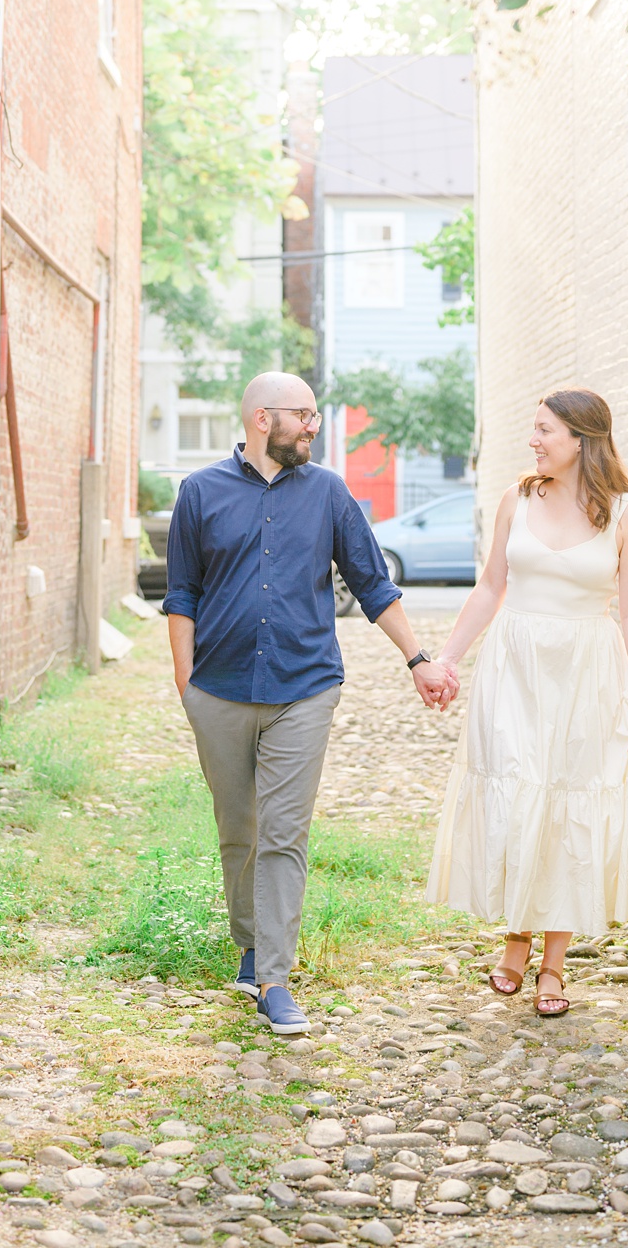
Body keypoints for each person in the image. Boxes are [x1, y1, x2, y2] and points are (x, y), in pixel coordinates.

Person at [164, 371, 452, 1037]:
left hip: (306, 687)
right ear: (264, 419)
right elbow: (181, 595)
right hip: (219, 689)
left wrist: (418, 659)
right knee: (239, 829)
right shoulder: (200, 493)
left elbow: (372, 582)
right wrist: (188, 688)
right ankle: (249, 944)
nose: (314, 426)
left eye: (315, 415)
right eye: (305, 415)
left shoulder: (328, 493)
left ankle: (274, 979)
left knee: (284, 834)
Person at [422, 387, 628, 1016]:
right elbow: (489, 589)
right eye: (534, 429)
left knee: (569, 798)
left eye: (544, 430)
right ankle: (514, 940)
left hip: (587, 671)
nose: (533, 440)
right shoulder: (516, 499)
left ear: (581, 439)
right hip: (515, 667)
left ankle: (553, 961)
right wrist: (447, 657)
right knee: (517, 792)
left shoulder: (626, 514)